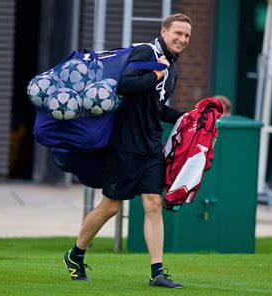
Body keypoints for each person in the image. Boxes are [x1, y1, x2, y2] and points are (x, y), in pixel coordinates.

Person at [63, 13, 192, 289]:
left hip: (151, 147)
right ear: (164, 31)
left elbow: (156, 108)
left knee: (153, 204)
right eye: (178, 33)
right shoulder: (147, 52)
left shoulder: (173, 68)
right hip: (125, 146)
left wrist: (188, 117)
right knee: (110, 207)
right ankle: (75, 255)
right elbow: (126, 85)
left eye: (187, 36)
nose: (182, 39)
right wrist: (156, 72)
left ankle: (157, 272)